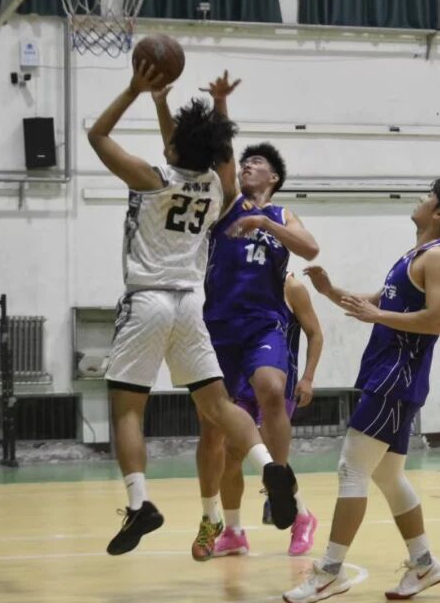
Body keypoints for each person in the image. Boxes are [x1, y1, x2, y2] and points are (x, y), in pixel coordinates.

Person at [88, 62, 273, 556]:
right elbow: (208, 151)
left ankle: (139, 502)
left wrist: (135, 90)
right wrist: (173, 105)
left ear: (173, 148)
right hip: (191, 305)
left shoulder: (150, 179)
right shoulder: (218, 188)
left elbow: (97, 135)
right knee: (219, 406)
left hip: (147, 300)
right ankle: (270, 466)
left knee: (128, 408)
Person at [283, 174, 440, 603]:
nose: (420, 199)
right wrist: (330, 290)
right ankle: (424, 563)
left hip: (398, 375)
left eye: (428, 196)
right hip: (386, 371)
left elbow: (437, 320)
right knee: (387, 475)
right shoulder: (415, 255)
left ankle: (329, 572)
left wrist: (379, 318)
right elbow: (373, 304)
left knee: (351, 469)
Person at [148, 72, 320, 557]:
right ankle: (227, 527)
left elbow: (310, 248)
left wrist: (264, 221)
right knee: (215, 433)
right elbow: (218, 152)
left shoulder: (282, 216)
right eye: (245, 162)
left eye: (257, 163)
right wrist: (219, 104)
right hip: (217, 326)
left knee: (271, 389)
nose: (247, 165)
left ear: (274, 179)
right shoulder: (224, 203)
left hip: (264, 323)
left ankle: (280, 488)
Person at [211, 273, 323, 558]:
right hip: (244, 382)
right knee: (230, 453)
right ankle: (234, 531)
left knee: (269, 454)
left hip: (279, 384)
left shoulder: (292, 287)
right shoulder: (241, 282)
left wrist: (308, 378)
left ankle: (302, 517)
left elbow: (315, 334)